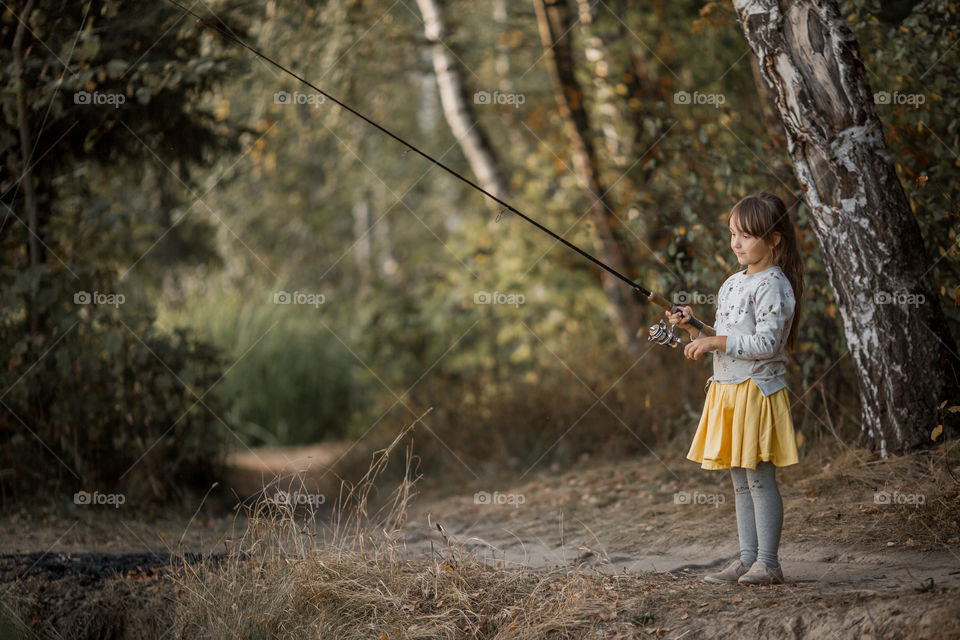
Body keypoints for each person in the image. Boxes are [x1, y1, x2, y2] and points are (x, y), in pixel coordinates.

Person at [666, 192, 804, 586]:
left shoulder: (774, 285)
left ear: (774, 239)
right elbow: (727, 336)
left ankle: (769, 563)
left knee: (759, 477)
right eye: (732, 234)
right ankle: (746, 561)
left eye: (746, 236)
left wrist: (714, 343)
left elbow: (766, 344)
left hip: (756, 390)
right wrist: (696, 329)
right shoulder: (732, 283)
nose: (736, 243)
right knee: (740, 480)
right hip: (728, 389)